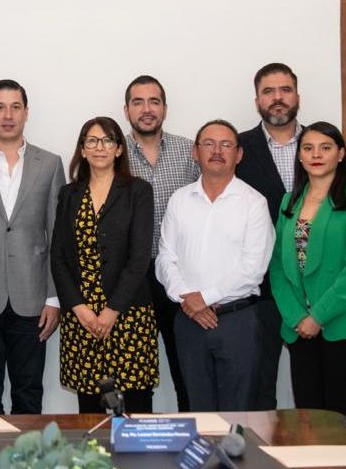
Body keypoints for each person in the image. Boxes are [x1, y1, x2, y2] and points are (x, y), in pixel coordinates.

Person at [0, 80, 66, 415]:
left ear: (26, 112)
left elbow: (57, 235)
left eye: (15, 107)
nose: (8, 115)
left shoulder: (50, 163)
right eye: (0, 107)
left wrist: (53, 297)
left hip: (32, 298)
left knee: (29, 393)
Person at [267, 121, 346, 432]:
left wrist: (317, 316)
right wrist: (297, 316)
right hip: (298, 325)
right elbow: (277, 267)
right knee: (307, 413)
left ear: (340, 154)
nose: (316, 155)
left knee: (338, 411)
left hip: (342, 321)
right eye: (308, 148)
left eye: (325, 148)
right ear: (300, 156)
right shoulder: (289, 201)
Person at [156, 119, 273, 411]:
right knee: (197, 410)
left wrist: (203, 298)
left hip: (236, 321)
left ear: (239, 154)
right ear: (195, 152)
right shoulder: (179, 200)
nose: (217, 151)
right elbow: (165, 257)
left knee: (237, 414)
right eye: (208, 143)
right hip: (188, 321)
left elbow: (253, 268)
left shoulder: (254, 203)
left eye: (226, 144)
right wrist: (188, 298)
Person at [51, 117, 159, 413]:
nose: (100, 147)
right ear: (82, 150)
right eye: (92, 141)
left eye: (108, 140)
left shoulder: (138, 191)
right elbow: (58, 257)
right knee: (90, 410)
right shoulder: (69, 194)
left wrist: (112, 311)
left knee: (136, 407)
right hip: (82, 317)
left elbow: (139, 258)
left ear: (119, 149)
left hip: (128, 314)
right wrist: (79, 308)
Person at [121, 74, 199, 411]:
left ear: (165, 108)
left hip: (180, 276)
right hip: (131, 278)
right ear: (126, 110)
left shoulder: (190, 151)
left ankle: (191, 437)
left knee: (187, 370)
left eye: (154, 101)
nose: (146, 109)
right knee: (134, 375)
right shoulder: (114, 153)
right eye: (138, 102)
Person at [235, 62, 303, 411]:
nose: (278, 98)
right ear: (257, 101)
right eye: (268, 91)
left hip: (315, 288)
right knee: (259, 391)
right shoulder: (239, 148)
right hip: (260, 289)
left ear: (297, 96)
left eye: (285, 90)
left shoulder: (321, 142)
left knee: (315, 394)